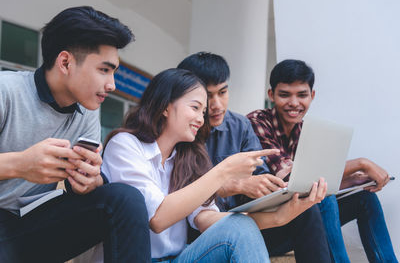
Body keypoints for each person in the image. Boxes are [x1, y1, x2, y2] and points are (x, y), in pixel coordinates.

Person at [100, 68, 327, 262]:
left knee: (239, 225)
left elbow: (208, 220)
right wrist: (224, 171)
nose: (201, 118)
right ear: (166, 106)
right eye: (195, 107)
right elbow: (157, 219)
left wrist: (279, 218)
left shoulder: (187, 158)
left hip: (181, 257)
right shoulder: (126, 145)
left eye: (203, 111)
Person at [0, 6, 151, 262]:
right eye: (104, 70)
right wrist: (19, 164)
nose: (112, 85)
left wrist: (89, 182)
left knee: (124, 199)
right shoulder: (6, 91)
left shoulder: (88, 110)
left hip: (28, 227)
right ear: (66, 62)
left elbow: (81, 184)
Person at [177, 52, 332, 263]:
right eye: (207, 96)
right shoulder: (181, 133)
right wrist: (235, 184)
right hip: (198, 234)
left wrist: (267, 188)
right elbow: (185, 199)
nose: (217, 105)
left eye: (222, 92)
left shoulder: (239, 126)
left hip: (244, 221)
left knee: (307, 207)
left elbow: (261, 175)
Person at [247, 59, 398, 263]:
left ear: (312, 96)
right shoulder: (257, 122)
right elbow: (293, 178)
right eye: (284, 94)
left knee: (365, 198)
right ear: (271, 95)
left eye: (302, 95)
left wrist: (355, 181)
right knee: (322, 197)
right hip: (265, 228)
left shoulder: (304, 130)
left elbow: (308, 183)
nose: (294, 103)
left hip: (298, 221)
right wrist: (362, 163)